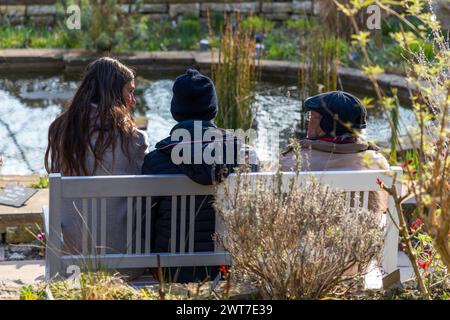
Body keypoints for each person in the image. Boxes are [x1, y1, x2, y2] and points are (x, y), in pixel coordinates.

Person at [142, 68, 259, 283]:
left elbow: (144, 225)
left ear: (175, 111)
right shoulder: (246, 156)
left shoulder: (155, 161)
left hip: (168, 271)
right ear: (212, 110)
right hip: (227, 269)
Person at [45, 57, 149, 273]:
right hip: (127, 267)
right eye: (129, 91)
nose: (133, 100)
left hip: (73, 267)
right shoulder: (135, 139)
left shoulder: (60, 132)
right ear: (112, 92)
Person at [281, 91, 389, 212]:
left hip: (308, 230)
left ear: (324, 124)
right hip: (367, 230)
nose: (308, 121)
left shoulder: (292, 161)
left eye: (311, 116)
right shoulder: (377, 162)